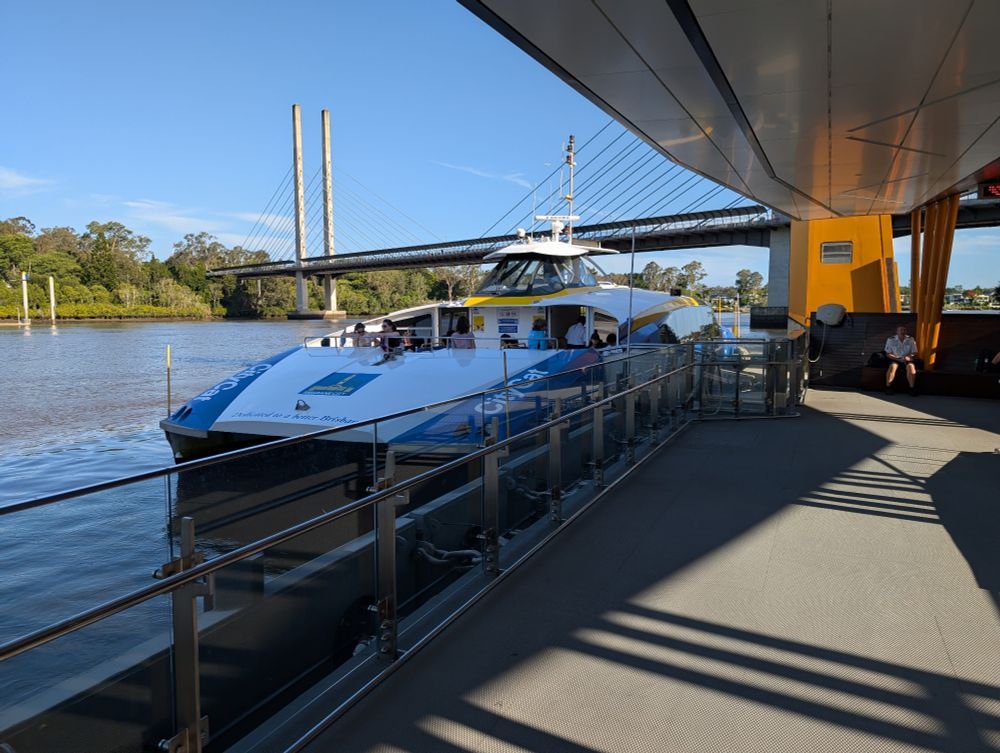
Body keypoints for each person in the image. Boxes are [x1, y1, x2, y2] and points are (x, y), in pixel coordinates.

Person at [884, 325, 919, 395]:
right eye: (901, 330)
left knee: (911, 367)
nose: (903, 331)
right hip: (895, 358)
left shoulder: (911, 339)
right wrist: (896, 358)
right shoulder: (891, 339)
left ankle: (911, 388)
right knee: (893, 367)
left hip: (907, 359)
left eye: (904, 330)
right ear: (897, 331)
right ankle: (888, 387)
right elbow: (888, 354)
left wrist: (909, 357)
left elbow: (914, 352)